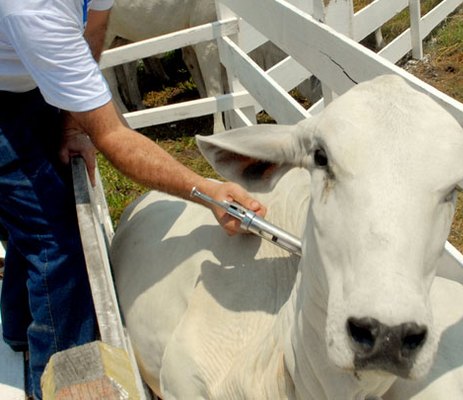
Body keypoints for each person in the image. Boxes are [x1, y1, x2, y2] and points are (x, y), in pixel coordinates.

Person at [0, 1, 266, 398]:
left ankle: (18, 326)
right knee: (57, 244)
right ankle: (64, 380)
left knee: (42, 207)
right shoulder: (34, 12)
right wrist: (206, 190)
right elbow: (114, 139)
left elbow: (97, 20)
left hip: (23, 77)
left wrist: (73, 120)